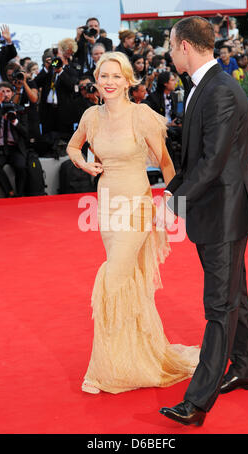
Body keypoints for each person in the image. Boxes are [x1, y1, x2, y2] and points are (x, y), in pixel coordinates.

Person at [66, 51, 199, 395]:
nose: (109, 82)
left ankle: (102, 370)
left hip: (138, 205)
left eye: (116, 76)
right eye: (103, 76)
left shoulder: (141, 116)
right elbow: (72, 146)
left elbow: (168, 165)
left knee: (113, 277)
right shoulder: (91, 116)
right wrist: (83, 164)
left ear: (128, 80)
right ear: (96, 80)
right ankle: (135, 356)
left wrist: (174, 206)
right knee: (125, 281)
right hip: (107, 205)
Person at [158, 16, 248, 427]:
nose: (169, 52)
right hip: (219, 210)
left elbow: (212, 162)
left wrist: (174, 202)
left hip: (223, 215)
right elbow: (195, 156)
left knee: (219, 306)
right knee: (236, 296)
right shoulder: (205, 85)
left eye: (170, 45)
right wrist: (173, 189)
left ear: (185, 46)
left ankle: (197, 403)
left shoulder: (219, 90)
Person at [0, 82, 28, 197]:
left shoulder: (20, 109)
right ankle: (9, 191)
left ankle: (20, 194)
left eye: (8, 91)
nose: (5, 94)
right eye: (2, 91)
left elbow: (26, 133)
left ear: (12, 93)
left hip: (15, 148)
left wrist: (14, 121)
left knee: (21, 166)